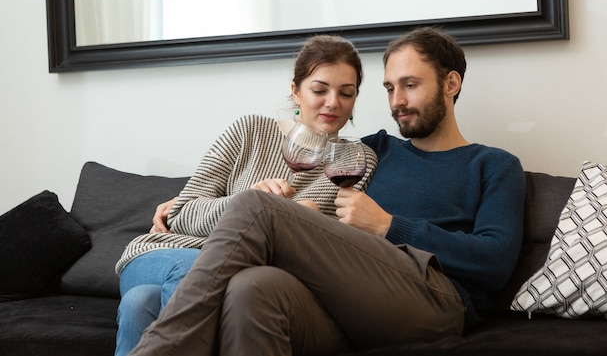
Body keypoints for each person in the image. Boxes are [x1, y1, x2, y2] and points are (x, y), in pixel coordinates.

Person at [128, 27, 526, 356]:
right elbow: (306, 150)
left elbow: (494, 263)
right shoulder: (373, 151)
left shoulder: (493, 165)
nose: (397, 102)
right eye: (389, 88)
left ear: (451, 83)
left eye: (410, 85)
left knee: (259, 206)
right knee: (251, 289)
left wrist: (389, 226)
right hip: (347, 300)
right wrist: (185, 205)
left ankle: (164, 349)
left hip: (433, 299)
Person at [113, 35, 378, 356]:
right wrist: (246, 206)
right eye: (320, 90)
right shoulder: (249, 131)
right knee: (191, 270)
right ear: (296, 91)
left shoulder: (355, 161)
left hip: (239, 277)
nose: (333, 102)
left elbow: (328, 257)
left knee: (140, 302)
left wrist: (299, 223)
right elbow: (182, 213)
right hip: (164, 254)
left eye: (346, 93)